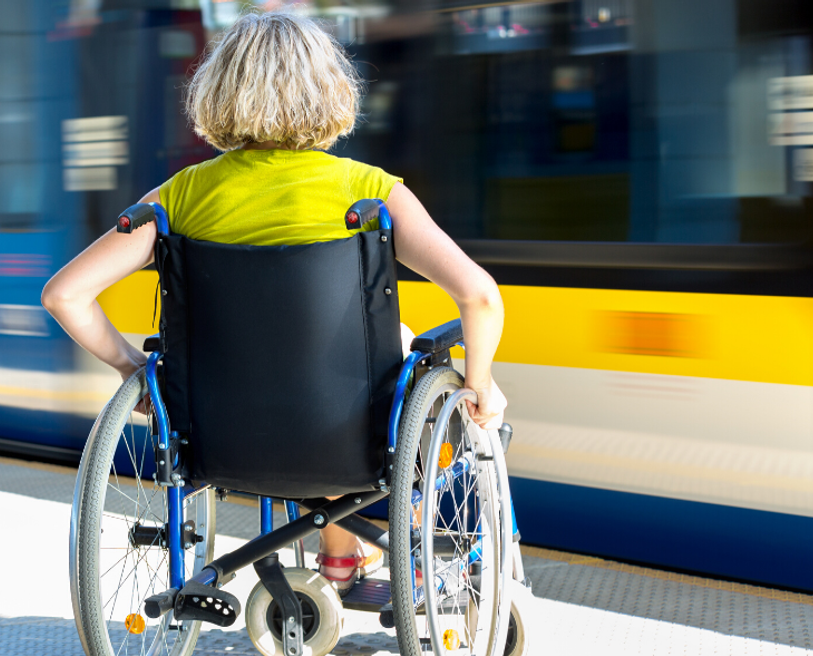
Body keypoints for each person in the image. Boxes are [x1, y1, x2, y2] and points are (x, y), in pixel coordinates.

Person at [42, 11, 506, 594]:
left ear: (218, 93)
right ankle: (424, 554)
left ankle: (339, 558)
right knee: (419, 369)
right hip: (347, 436)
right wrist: (482, 385)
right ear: (330, 91)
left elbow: (64, 295)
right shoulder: (371, 191)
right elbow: (479, 297)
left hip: (221, 446)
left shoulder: (178, 196)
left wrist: (131, 368)